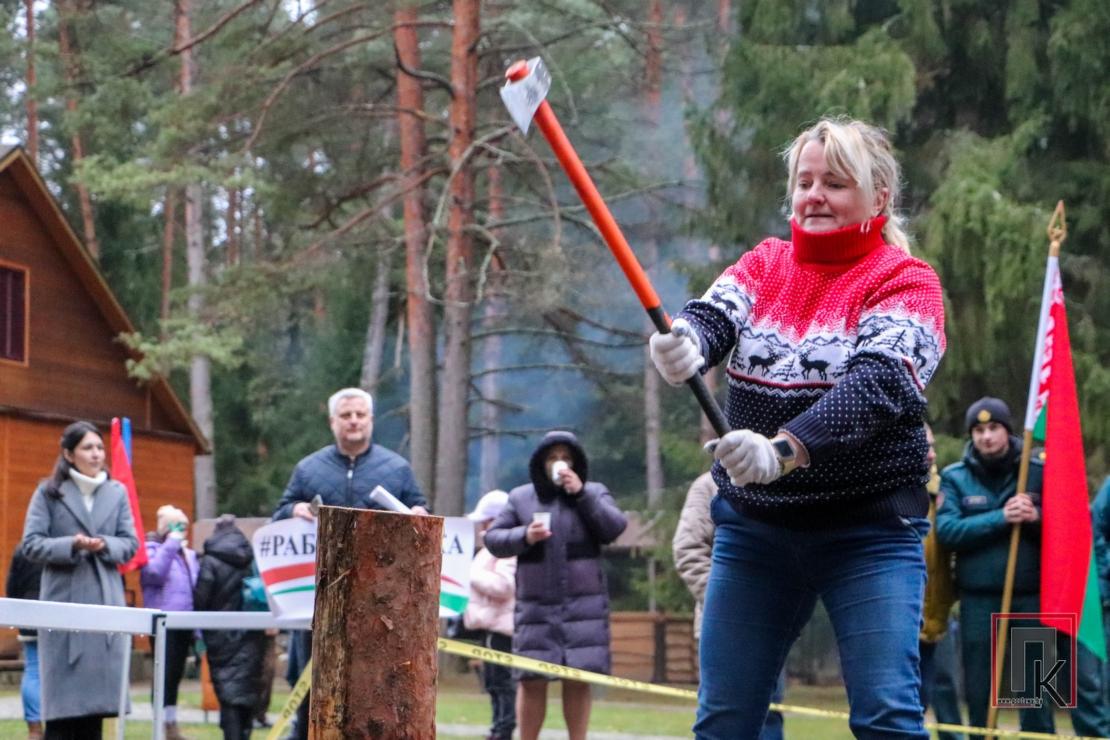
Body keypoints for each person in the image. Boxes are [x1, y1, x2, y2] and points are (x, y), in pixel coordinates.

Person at [649, 117, 946, 738]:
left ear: (879, 197)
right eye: (805, 182)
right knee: (724, 722)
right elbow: (713, 315)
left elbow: (878, 386)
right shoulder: (764, 263)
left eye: (835, 183)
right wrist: (685, 342)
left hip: (869, 533)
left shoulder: (907, 281)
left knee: (886, 718)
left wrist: (786, 449)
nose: (814, 196)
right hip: (755, 532)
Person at [272, 387, 430, 739]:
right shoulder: (308, 469)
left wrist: (420, 512)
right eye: (346, 415)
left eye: (360, 414)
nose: (354, 421)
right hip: (318, 599)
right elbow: (278, 515)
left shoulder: (397, 469)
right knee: (311, 686)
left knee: (375, 689)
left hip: (379, 602)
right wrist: (294, 509)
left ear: (371, 420)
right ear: (333, 422)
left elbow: (422, 513)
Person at [484, 431, 627, 740]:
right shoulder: (521, 497)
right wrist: (525, 535)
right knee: (531, 680)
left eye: (565, 458)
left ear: (576, 463)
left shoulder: (594, 492)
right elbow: (493, 539)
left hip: (584, 608)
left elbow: (614, 527)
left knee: (577, 679)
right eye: (552, 458)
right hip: (535, 608)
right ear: (541, 463)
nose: (559, 463)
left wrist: (582, 494)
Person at [936, 397, 1054, 733]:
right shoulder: (956, 477)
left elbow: (1067, 528)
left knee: (1035, 693)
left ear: (1008, 430)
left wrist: (1035, 517)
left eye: (993, 428)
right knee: (979, 693)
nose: (986, 436)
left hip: (1031, 600)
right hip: (978, 601)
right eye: (978, 430)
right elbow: (947, 530)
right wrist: (1001, 517)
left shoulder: (1036, 472)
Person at [20, 421, 140, 740]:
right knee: (62, 714)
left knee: (94, 712)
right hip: (63, 603)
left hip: (104, 603)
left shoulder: (117, 492)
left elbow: (131, 543)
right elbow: (31, 543)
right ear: (69, 454)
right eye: (88, 448)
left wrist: (104, 544)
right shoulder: (48, 492)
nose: (97, 454)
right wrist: (70, 545)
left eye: (100, 447)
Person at [673, 472, 784, 740]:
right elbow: (687, 549)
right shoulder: (708, 485)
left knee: (769, 717)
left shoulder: (784, 482)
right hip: (724, 630)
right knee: (725, 721)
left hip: (776, 625)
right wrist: (729, 604)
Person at [193, 514, 266, 740]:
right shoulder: (251, 558)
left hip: (220, 636)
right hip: (251, 633)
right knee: (246, 690)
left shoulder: (210, 561)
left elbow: (201, 600)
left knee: (227, 692)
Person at [917, 424, 964, 740]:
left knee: (944, 685)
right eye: (925, 446)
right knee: (908, 696)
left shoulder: (943, 493)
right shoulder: (889, 495)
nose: (932, 454)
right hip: (908, 614)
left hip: (939, 613)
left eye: (933, 446)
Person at [463, 489, 518, 740]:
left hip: (502, 627)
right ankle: (496, 727)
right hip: (488, 626)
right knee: (493, 682)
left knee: (503, 682)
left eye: (486, 521)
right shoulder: (488, 551)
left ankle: (504, 729)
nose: (481, 527)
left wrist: (470, 574)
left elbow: (504, 586)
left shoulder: (508, 550)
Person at [140, 505, 199, 740]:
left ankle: (171, 723)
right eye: (178, 526)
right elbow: (153, 574)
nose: (183, 531)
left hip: (184, 622)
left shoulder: (187, 554)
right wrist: (172, 543)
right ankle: (160, 724)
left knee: (175, 675)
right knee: (162, 675)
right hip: (163, 622)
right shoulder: (152, 549)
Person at [6, 543, 44, 740]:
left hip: (30, 614)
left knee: (33, 670)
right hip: (64, 616)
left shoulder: (24, 548)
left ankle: (35, 729)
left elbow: (12, 586)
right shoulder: (68, 546)